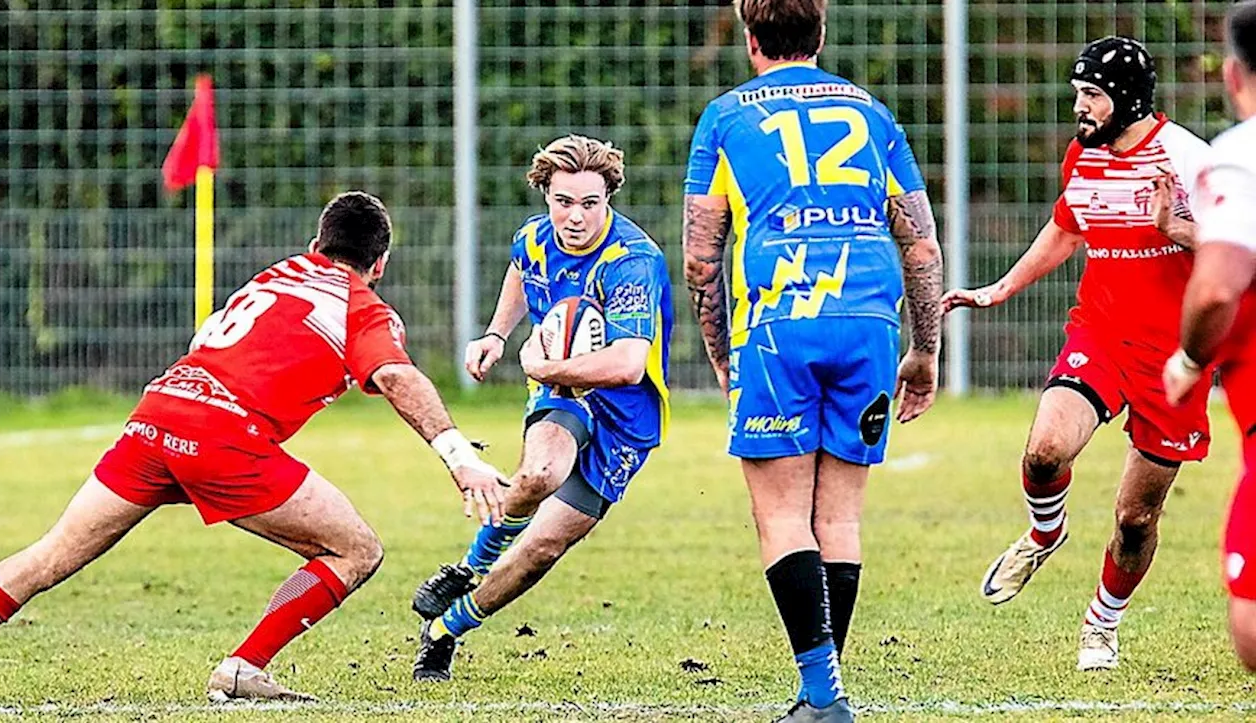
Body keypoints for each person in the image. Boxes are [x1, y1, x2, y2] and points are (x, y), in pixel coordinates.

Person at [0, 192, 507, 701]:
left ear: (316, 244)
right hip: (222, 438)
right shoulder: (362, 306)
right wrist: (461, 459)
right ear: (381, 263)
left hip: (157, 414)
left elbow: (209, 340)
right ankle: (243, 668)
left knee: (48, 557)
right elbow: (396, 376)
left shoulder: (275, 276)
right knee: (356, 550)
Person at [681, 0, 943, 719]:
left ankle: (824, 698)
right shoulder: (871, 112)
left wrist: (719, 354)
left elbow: (703, 257)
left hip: (779, 322)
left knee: (782, 515)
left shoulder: (726, 117)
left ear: (750, 37)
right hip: (867, 322)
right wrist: (924, 348)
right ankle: (817, 693)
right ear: (820, 35)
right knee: (843, 520)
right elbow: (920, 245)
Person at [943, 37, 1214, 671]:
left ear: (1128, 100)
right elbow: (1068, 226)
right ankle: (1044, 534)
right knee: (1043, 453)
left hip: (1174, 360)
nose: (1081, 109)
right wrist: (999, 290)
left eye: (1091, 96)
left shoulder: (1189, 161)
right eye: (1078, 96)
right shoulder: (1083, 156)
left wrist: (1178, 230)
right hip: (1100, 333)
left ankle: (1101, 623)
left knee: (1135, 521)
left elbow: (1237, 254)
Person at [410, 135, 673, 682]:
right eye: (562, 201)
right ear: (544, 194)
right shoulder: (534, 238)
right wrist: (496, 335)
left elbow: (627, 364)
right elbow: (521, 273)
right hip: (564, 394)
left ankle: (444, 632)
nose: (575, 217)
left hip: (625, 416)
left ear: (610, 199)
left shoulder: (633, 261)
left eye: (589, 203)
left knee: (541, 549)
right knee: (538, 472)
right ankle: (469, 567)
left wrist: (541, 366)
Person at [1162, 0, 1256, 674]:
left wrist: (1192, 355)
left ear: (1232, 75)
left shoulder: (1241, 156)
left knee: (1251, 627)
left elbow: (1219, 283)